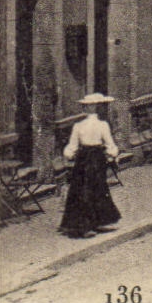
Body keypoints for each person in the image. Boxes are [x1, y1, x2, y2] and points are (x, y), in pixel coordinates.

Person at [60, 93, 121, 238]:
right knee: (98, 187)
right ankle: (95, 221)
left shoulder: (78, 126)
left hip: (83, 159)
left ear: (86, 108)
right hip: (97, 159)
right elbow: (110, 144)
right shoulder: (103, 125)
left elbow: (72, 147)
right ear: (97, 108)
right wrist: (113, 154)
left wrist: (68, 155)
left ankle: (84, 224)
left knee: (81, 189)